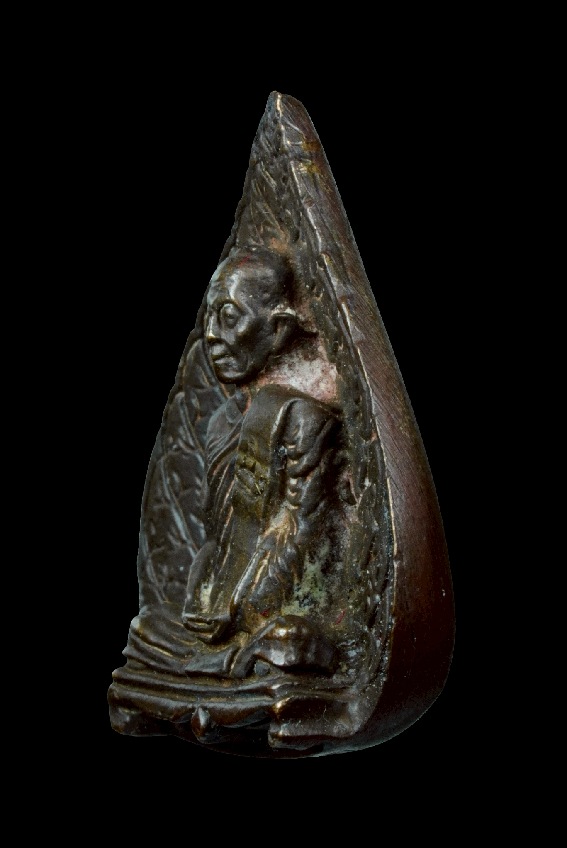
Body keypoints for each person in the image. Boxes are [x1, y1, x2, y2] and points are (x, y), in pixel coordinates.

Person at [180, 245, 343, 677]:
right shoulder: (222, 421)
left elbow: (298, 531)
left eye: (230, 317)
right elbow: (216, 534)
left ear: (280, 329)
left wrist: (244, 611)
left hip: (261, 600)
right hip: (219, 599)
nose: (211, 335)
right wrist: (204, 599)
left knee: (284, 648)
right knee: (148, 632)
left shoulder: (301, 418)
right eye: (209, 317)